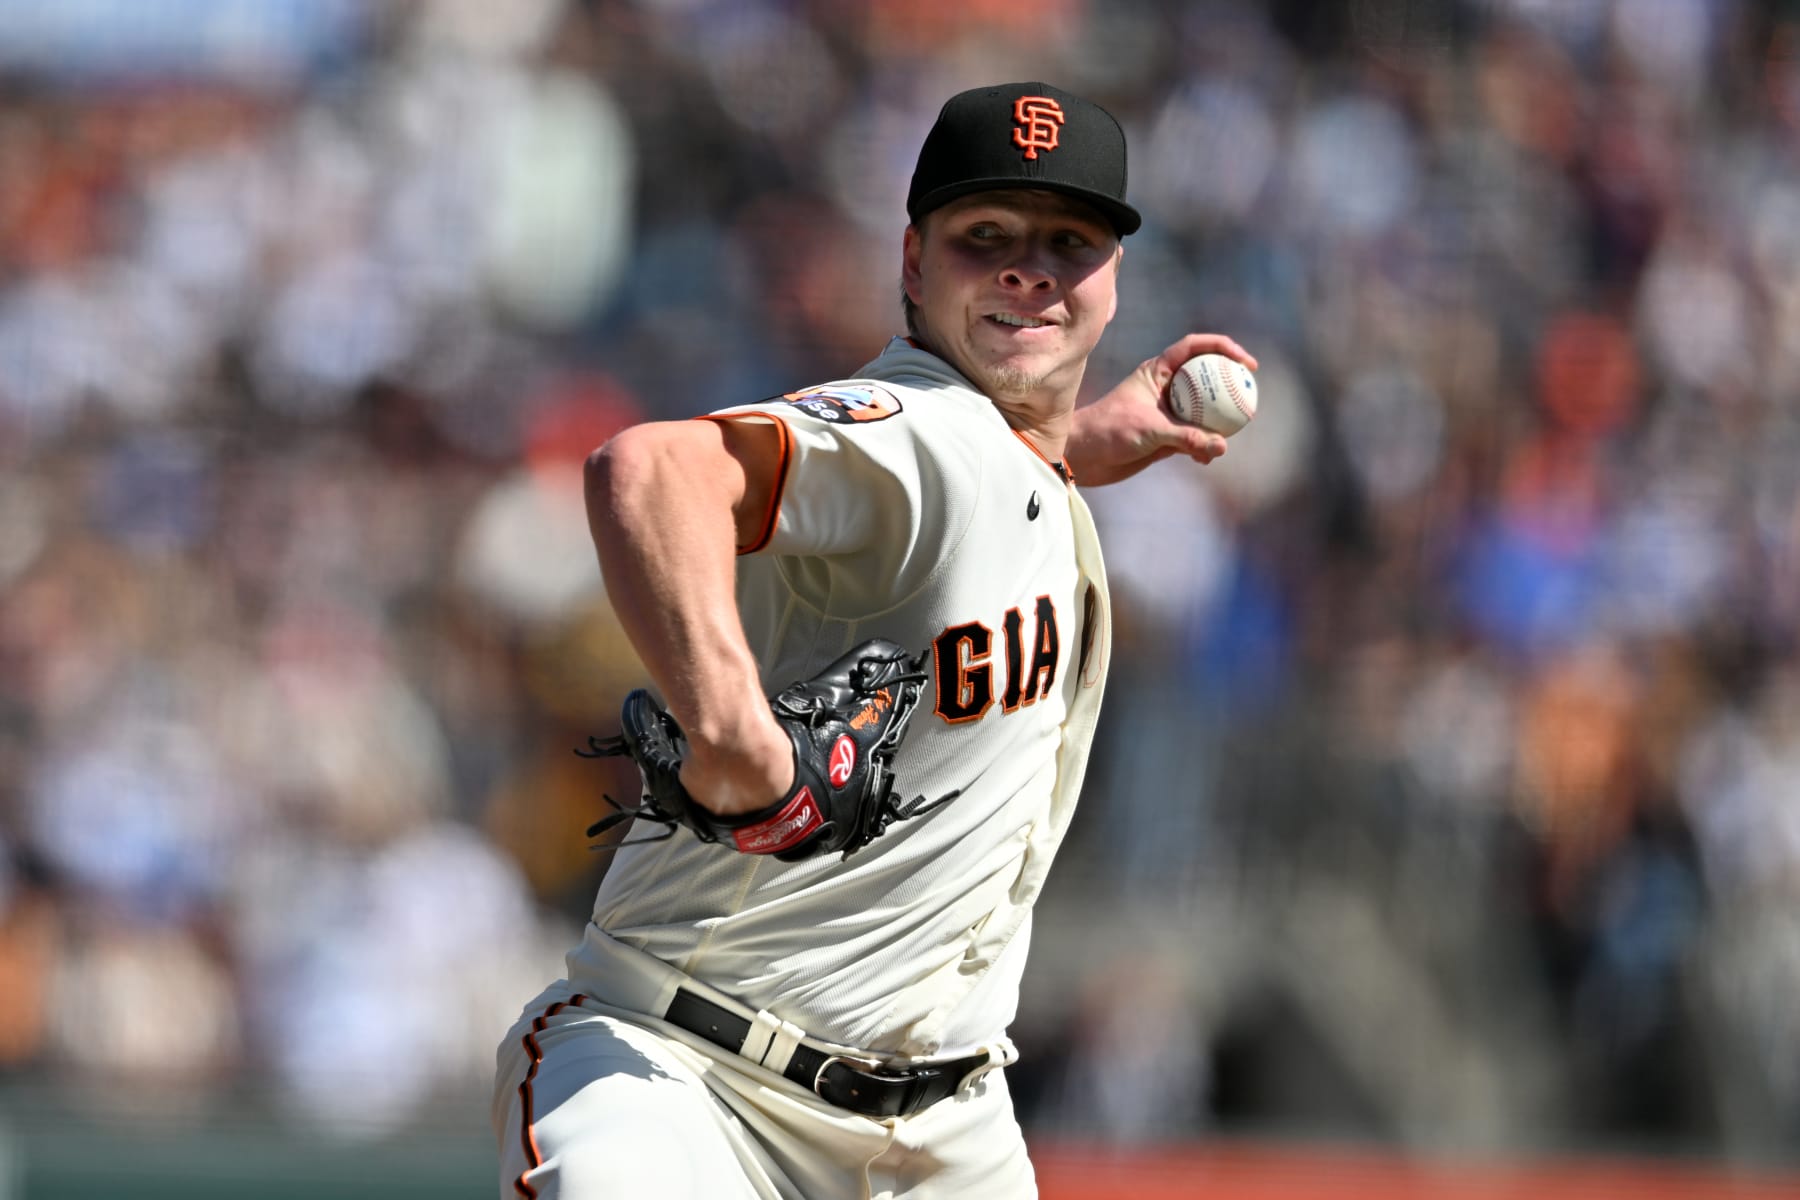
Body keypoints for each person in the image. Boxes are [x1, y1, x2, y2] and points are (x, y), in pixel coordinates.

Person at [490, 81, 1257, 1199]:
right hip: (694, 1085)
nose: (1028, 269)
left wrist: (1065, 445)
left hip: (946, 1133)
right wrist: (735, 729)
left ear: (1113, 280)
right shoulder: (924, 432)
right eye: (983, 237)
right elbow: (653, 472)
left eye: (1068, 243)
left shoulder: (1003, 463)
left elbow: (969, 492)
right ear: (911, 262)